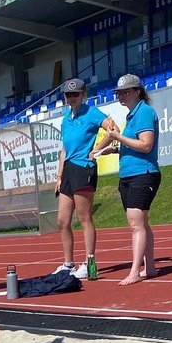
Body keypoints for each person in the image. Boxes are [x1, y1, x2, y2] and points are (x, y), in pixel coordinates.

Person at [92, 73, 161, 285]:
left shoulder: (144, 112)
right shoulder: (132, 115)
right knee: (141, 223)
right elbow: (135, 145)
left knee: (135, 223)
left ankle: (134, 271)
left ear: (137, 92)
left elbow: (146, 145)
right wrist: (114, 149)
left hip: (143, 173)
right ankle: (149, 267)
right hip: (129, 174)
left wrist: (117, 137)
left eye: (125, 92)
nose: (121, 96)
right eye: (119, 93)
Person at [53, 78, 116, 279]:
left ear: (84, 95)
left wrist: (96, 149)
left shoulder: (92, 113)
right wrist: (59, 176)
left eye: (76, 94)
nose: (72, 98)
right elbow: (64, 149)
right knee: (62, 221)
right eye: (68, 95)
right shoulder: (66, 119)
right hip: (68, 170)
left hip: (84, 168)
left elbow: (113, 130)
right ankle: (68, 264)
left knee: (84, 218)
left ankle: (90, 262)